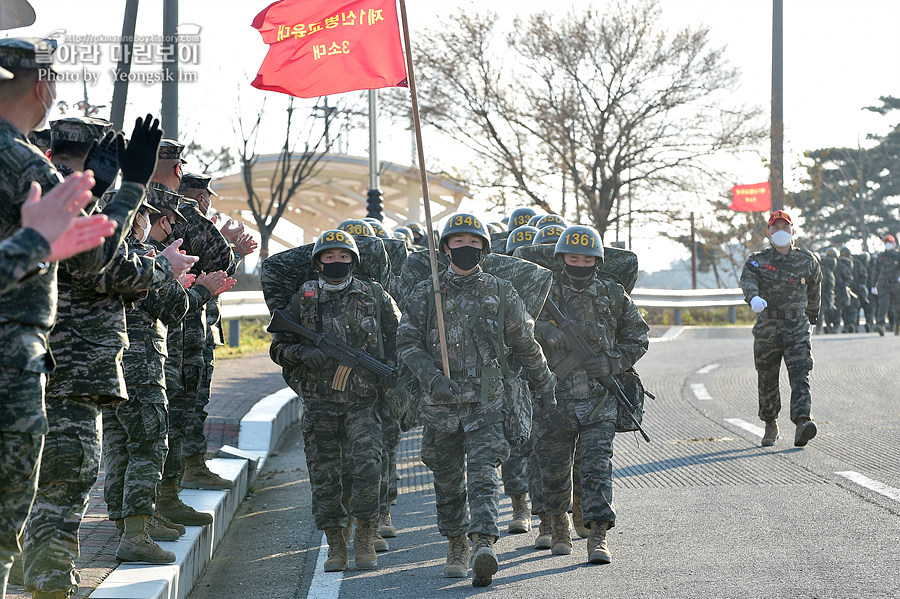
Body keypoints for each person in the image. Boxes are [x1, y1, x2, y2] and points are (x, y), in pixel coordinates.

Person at [397, 213, 556, 587]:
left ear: (483, 248)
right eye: (457, 242)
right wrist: (431, 377)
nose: (465, 248)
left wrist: (544, 382)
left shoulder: (502, 291)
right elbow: (406, 343)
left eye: (473, 242)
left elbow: (524, 343)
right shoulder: (426, 292)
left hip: (487, 397)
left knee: (484, 473)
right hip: (440, 403)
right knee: (448, 478)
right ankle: (456, 544)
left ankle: (483, 542)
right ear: (445, 247)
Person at [269, 230, 400, 572]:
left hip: (362, 401)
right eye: (330, 257)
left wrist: (392, 372)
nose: (337, 262)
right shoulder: (303, 299)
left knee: (368, 466)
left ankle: (365, 535)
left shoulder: (374, 295)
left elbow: (399, 338)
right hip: (320, 403)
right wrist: (302, 351)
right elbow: (278, 346)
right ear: (318, 262)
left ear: (353, 261)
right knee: (326, 476)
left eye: (344, 257)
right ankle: (336, 544)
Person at [532, 225, 648, 564]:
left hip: (599, 400)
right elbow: (518, 329)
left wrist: (612, 362)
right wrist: (549, 334)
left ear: (596, 261)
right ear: (561, 259)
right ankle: (557, 524)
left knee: (598, 467)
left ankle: (597, 535)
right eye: (572, 257)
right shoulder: (544, 294)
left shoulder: (613, 294)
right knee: (553, 470)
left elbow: (637, 337)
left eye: (586, 259)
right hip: (554, 399)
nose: (579, 264)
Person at [740, 210, 822, 448]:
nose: (780, 232)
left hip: (796, 327)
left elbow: (815, 290)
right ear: (769, 233)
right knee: (767, 378)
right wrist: (753, 298)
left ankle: (802, 422)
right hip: (768, 327)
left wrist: (813, 318)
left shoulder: (807, 260)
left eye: (784, 227)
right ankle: (770, 424)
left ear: (792, 231)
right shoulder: (758, 260)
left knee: (800, 374)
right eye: (775, 228)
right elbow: (748, 281)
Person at [873, 235, 900, 336]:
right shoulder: (880, 256)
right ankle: (880, 325)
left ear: (893, 244)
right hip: (883, 284)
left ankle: (898, 325)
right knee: (882, 305)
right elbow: (875, 271)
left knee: (897, 307)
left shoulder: (898, 256)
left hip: (896, 284)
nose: (888, 244)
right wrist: (873, 285)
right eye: (886, 242)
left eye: (890, 242)